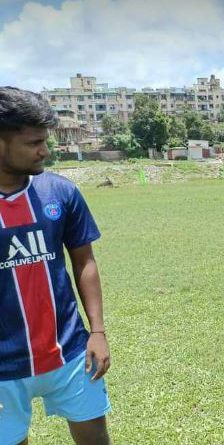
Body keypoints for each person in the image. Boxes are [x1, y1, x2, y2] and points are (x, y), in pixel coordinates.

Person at [0, 87, 112, 445]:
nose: (45, 150)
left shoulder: (60, 193)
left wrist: (97, 331)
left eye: (45, 140)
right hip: (3, 368)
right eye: (33, 142)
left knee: (95, 439)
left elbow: (84, 262)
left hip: (69, 351)